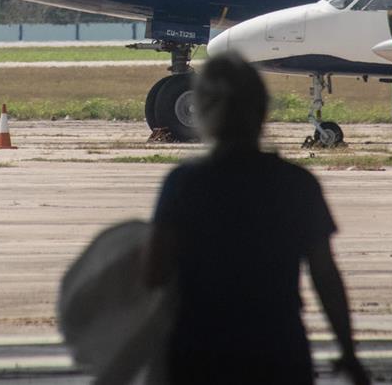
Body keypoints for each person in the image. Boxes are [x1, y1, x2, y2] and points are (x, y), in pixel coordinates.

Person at [144, 51, 370, 384]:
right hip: (277, 347)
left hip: (199, 349)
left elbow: (154, 274)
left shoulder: (184, 183)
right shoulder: (297, 184)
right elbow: (325, 276)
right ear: (263, 109)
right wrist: (348, 352)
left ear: (203, 112)